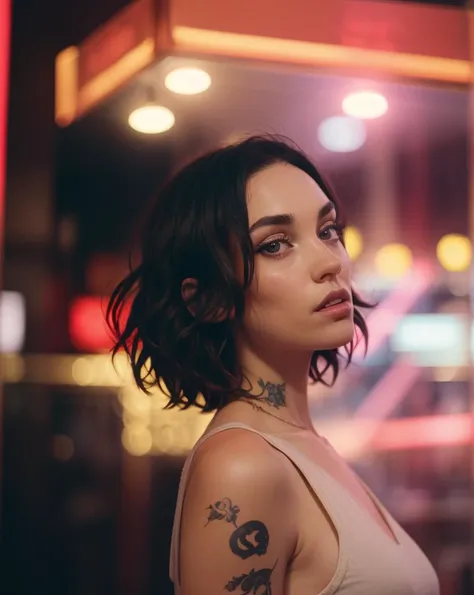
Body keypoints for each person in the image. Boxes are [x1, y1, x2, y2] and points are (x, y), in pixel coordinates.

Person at [107, 136, 440, 595]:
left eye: (327, 230)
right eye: (276, 245)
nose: (329, 262)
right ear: (208, 300)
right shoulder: (241, 466)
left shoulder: (305, 446)